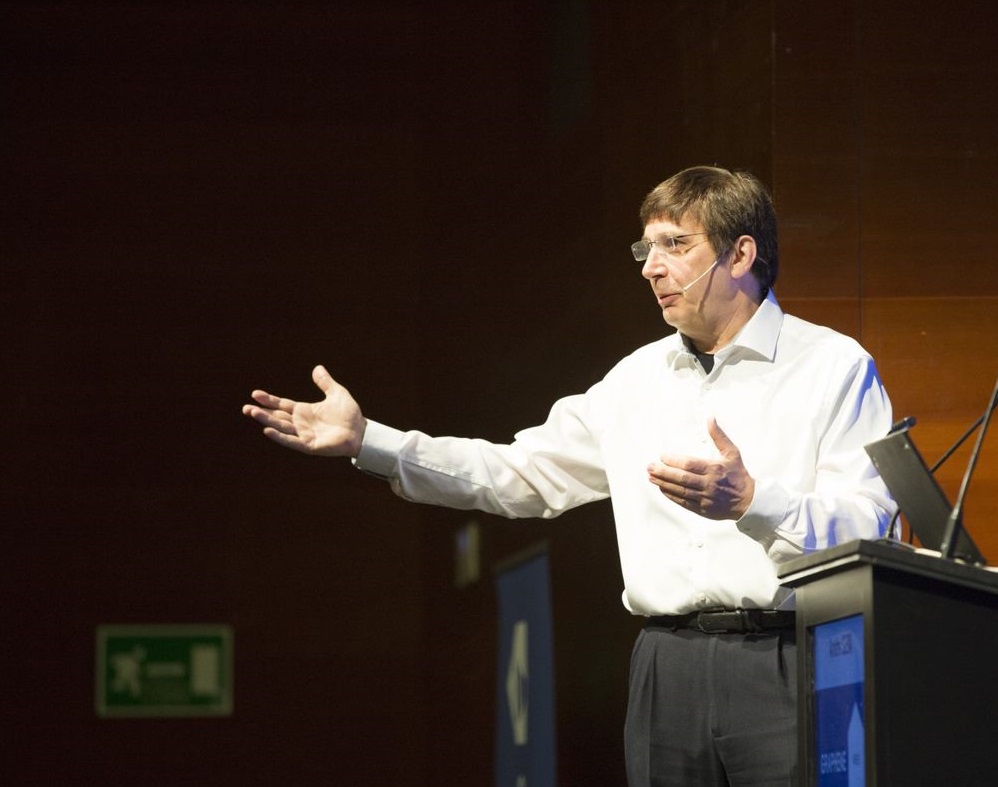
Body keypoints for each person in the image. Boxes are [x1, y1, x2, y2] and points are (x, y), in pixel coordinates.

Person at [242, 166, 895, 786]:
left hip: (789, 656)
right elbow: (518, 472)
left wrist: (754, 501)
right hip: (665, 664)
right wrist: (370, 441)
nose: (650, 266)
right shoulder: (633, 380)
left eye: (674, 244)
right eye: (644, 247)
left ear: (741, 254)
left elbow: (870, 527)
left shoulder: (830, 366)